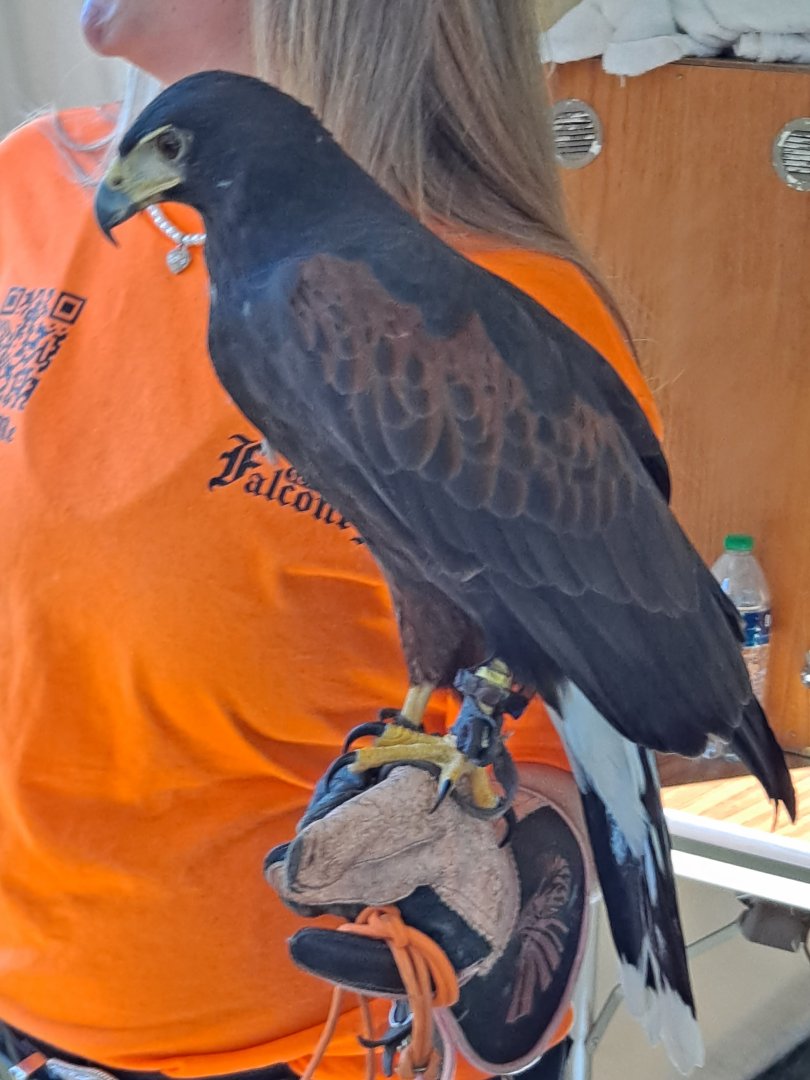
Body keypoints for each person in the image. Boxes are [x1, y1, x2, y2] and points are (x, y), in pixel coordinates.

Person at [0, 1, 663, 1079]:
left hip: (305, 1053)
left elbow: (572, 777)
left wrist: (490, 870)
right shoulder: (24, 188)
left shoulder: (486, 314)